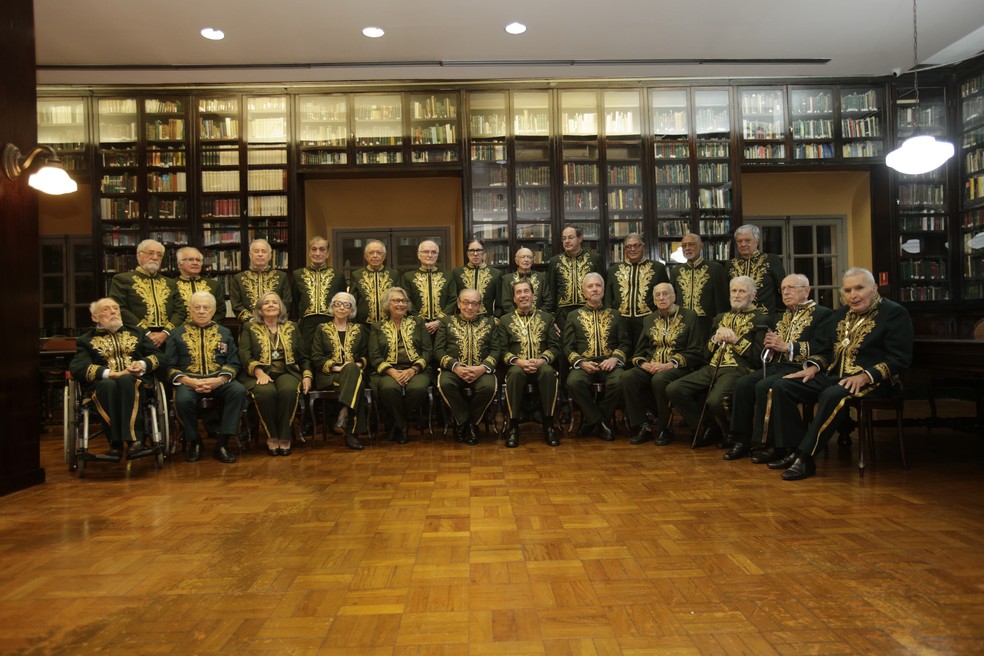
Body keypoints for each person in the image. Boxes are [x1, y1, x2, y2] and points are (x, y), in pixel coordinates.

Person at [769, 268, 913, 481]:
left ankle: (805, 458)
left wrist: (865, 376)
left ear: (874, 288)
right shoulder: (842, 314)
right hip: (835, 375)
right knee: (783, 386)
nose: (853, 295)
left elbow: (900, 358)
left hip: (875, 381)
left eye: (859, 288)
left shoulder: (894, 312)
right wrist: (814, 367)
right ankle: (793, 449)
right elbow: (828, 349)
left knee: (832, 395)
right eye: (847, 290)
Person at [723, 274, 834, 462]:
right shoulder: (781, 316)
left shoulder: (823, 314)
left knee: (765, 386)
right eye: (783, 289)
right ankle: (743, 439)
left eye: (791, 287)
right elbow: (772, 347)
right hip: (778, 365)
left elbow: (824, 347)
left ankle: (774, 445)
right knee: (743, 383)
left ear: (806, 290)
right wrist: (770, 346)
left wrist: (787, 347)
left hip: (803, 367)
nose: (786, 292)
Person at [666, 276, 768, 447]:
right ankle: (709, 427)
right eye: (733, 291)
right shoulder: (720, 318)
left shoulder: (761, 319)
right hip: (712, 367)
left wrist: (736, 340)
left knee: (714, 401)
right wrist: (714, 339)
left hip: (738, 369)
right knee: (674, 389)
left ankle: (732, 434)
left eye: (742, 291)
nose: (736, 295)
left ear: (753, 295)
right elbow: (705, 354)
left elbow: (758, 358)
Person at [69, 298, 164, 461]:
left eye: (116, 308)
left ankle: (135, 442)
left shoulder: (137, 333)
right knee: (107, 385)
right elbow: (78, 367)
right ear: (95, 317)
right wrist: (110, 374)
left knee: (127, 380)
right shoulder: (86, 340)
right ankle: (115, 444)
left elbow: (160, 357)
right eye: (106, 309)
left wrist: (142, 364)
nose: (113, 312)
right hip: (103, 385)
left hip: (136, 383)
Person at [165, 291, 245, 463]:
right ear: (190, 310)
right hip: (188, 382)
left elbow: (234, 362)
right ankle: (195, 442)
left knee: (238, 390)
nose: (201, 311)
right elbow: (169, 366)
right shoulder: (176, 333)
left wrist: (220, 380)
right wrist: (188, 381)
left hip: (218, 380)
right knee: (182, 400)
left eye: (206, 308)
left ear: (214, 310)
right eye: (197, 307)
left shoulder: (225, 332)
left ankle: (223, 443)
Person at [621, 283, 703, 446]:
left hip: (678, 367)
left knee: (659, 380)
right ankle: (642, 426)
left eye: (665, 294)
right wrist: (644, 364)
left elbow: (696, 351)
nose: (661, 298)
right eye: (657, 295)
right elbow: (638, 353)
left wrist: (669, 364)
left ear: (674, 297)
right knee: (627, 377)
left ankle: (664, 428)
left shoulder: (689, 316)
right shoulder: (649, 319)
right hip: (653, 365)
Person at [238, 292, 311, 456]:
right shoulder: (249, 327)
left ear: (281, 308)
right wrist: (258, 372)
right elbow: (244, 355)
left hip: (287, 371)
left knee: (289, 391)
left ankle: (285, 436)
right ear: (259, 309)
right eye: (266, 303)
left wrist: (307, 376)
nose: (270, 305)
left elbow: (304, 356)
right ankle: (272, 436)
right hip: (258, 373)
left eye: (274, 303)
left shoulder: (292, 327)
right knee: (265, 392)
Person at [563, 273, 630, 441]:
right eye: (590, 286)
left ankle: (593, 420)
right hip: (585, 364)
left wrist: (615, 358)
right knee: (573, 382)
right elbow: (568, 347)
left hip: (610, 363)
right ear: (584, 292)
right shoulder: (573, 315)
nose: (594, 289)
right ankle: (600, 422)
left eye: (598, 286)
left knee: (621, 380)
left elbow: (625, 343)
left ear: (603, 290)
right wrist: (581, 363)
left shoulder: (615, 314)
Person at [435, 288, 503, 445]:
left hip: (481, 371)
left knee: (488, 387)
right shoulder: (446, 322)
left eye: (474, 303)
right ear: (459, 304)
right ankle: (466, 422)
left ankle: (468, 423)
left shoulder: (490, 323)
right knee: (445, 384)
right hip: (454, 370)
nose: (470, 307)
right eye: (465, 302)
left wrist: (482, 368)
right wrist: (456, 367)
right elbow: (438, 350)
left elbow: (496, 350)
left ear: (480, 306)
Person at [499, 279, 561, 448]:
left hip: (541, 365)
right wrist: (519, 362)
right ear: (513, 298)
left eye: (526, 291)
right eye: (518, 292)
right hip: (517, 366)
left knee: (549, 372)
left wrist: (541, 360)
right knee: (515, 374)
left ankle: (549, 425)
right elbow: (501, 349)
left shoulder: (547, 318)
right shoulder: (504, 320)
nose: (523, 295)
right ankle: (513, 427)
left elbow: (555, 347)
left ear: (533, 295)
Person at [368, 287, 432, 444]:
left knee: (417, 389)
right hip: (388, 371)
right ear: (387, 304)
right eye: (396, 300)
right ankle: (402, 426)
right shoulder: (377, 326)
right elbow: (374, 355)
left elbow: (427, 350)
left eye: (404, 301)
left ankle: (396, 423)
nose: (401, 304)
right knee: (389, 389)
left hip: (416, 370)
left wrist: (413, 369)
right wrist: (392, 372)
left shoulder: (418, 322)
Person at [311, 291, 368, 451]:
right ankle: (351, 432)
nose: (342, 308)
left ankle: (343, 414)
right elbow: (316, 356)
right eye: (338, 304)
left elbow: (366, 355)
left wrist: (358, 364)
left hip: (354, 373)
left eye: (347, 305)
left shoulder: (359, 329)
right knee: (358, 383)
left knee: (352, 371)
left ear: (352, 310)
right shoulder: (321, 328)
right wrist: (337, 367)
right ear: (332, 307)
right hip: (329, 376)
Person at [108, 239, 177, 349]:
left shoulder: (171, 283)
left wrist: (165, 332)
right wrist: (146, 332)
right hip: (135, 337)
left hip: (167, 339)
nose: (155, 257)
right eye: (150, 253)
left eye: (159, 255)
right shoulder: (122, 279)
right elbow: (119, 307)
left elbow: (180, 311)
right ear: (138, 256)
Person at [605, 232, 669, 349]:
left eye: (636, 245)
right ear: (625, 249)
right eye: (629, 246)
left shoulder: (657, 268)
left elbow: (666, 295)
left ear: (643, 247)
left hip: (649, 320)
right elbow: (608, 298)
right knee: (622, 352)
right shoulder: (613, 270)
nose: (632, 249)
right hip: (621, 321)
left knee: (646, 353)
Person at [670, 232, 729, 345]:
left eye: (691, 244)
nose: (687, 248)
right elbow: (673, 299)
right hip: (682, 323)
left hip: (707, 324)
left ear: (701, 245)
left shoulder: (715, 269)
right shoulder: (676, 271)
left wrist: (720, 325)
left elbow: (722, 302)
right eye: (684, 246)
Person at [546, 225, 604, 330]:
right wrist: (552, 318)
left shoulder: (594, 259)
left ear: (580, 238)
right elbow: (551, 290)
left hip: (588, 310)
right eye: (564, 238)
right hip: (562, 313)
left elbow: (603, 288)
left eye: (570, 237)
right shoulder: (555, 261)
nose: (567, 241)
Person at [293, 236, 346, 352]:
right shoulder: (298, 274)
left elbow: (343, 300)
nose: (317, 253)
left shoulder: (338, 275)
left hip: (330, 321)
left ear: (327, 254)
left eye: (322, 249)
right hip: (306, 323)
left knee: (329, 352)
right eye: (314, 249)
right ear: (309, 252)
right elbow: (294, 302)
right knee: (305, 353)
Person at [728, 224, 786, 322]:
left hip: (765, 319)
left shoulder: (771, 260)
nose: (743, 244)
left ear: (757, 241)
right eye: (739, 241)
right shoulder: (731, 264)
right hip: (737, 320)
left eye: (747, 240)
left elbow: (782, 289)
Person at [230, 239, 291, 324]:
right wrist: (251, 320)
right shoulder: (239, 278)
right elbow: (236, 304)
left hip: (275, 324)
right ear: (250, 255)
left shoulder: (281, 277)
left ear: (270, 256)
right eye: (256, 251)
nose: (260, 254)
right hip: (249, 325)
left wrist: (273, 318)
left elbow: (286, 301)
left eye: (264, 251)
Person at [402, 239, 452, 342]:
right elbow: (407, 301)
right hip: (417, 326)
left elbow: (453, 300)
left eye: (433, 252)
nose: (430, 255)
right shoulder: (408, 277)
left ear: (437, 255)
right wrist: (420, 321)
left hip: (443, 326)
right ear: (419, 255)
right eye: (426, 252)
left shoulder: (448, 276)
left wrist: (439, 321)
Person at [170, 246, 223, 327]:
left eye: (198, 260)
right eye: (190, 259)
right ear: (179, 264)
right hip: (179, 333)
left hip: (209, 332)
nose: (195, 263)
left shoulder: (214, 285)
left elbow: (220, 311)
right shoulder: (171, 285)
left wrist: (210, 328)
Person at [447, 238, 501, 316]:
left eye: (478, 250)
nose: (475, 254)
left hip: (486, 320)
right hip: (462, 320)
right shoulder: (457, 273)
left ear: (484, 252)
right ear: (467, 253)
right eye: (472, 250)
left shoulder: (495, 274)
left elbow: (499, 303)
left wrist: (496, 320)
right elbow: (453, 300)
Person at [350, 239, 396, 325]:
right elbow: (352, 302)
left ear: (384, 256)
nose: (375, 256)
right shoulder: (356, 275)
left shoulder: (394, 275)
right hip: (363, 326)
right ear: (366, 256)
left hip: (389, 325)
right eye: (371, 253)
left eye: (379, 253)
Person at [499, 247, 550, 314]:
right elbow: (506, 303)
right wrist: (518, 316)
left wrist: (538, 315)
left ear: (532, 261)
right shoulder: (507, 279)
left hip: (538, 318)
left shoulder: (542, 277)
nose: (526, 260)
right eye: (523, 257)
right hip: (515, 319)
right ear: (516, 261)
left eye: (529, 257)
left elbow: (548, 301)